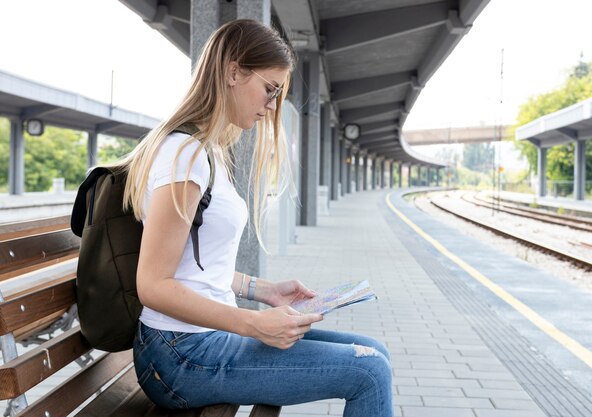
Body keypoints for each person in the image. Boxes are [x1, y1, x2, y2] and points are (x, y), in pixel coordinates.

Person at [118, 19, 393, 416]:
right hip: (180, 354)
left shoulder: (209, 151)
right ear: (233, 72)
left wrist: (263, 291)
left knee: (375, 352)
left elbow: (194, 268)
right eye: (269, 90)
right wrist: (253, 324)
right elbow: (153, 284)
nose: (270, 107)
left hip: (198, 340)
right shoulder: (185, 157)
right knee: (368, 372)